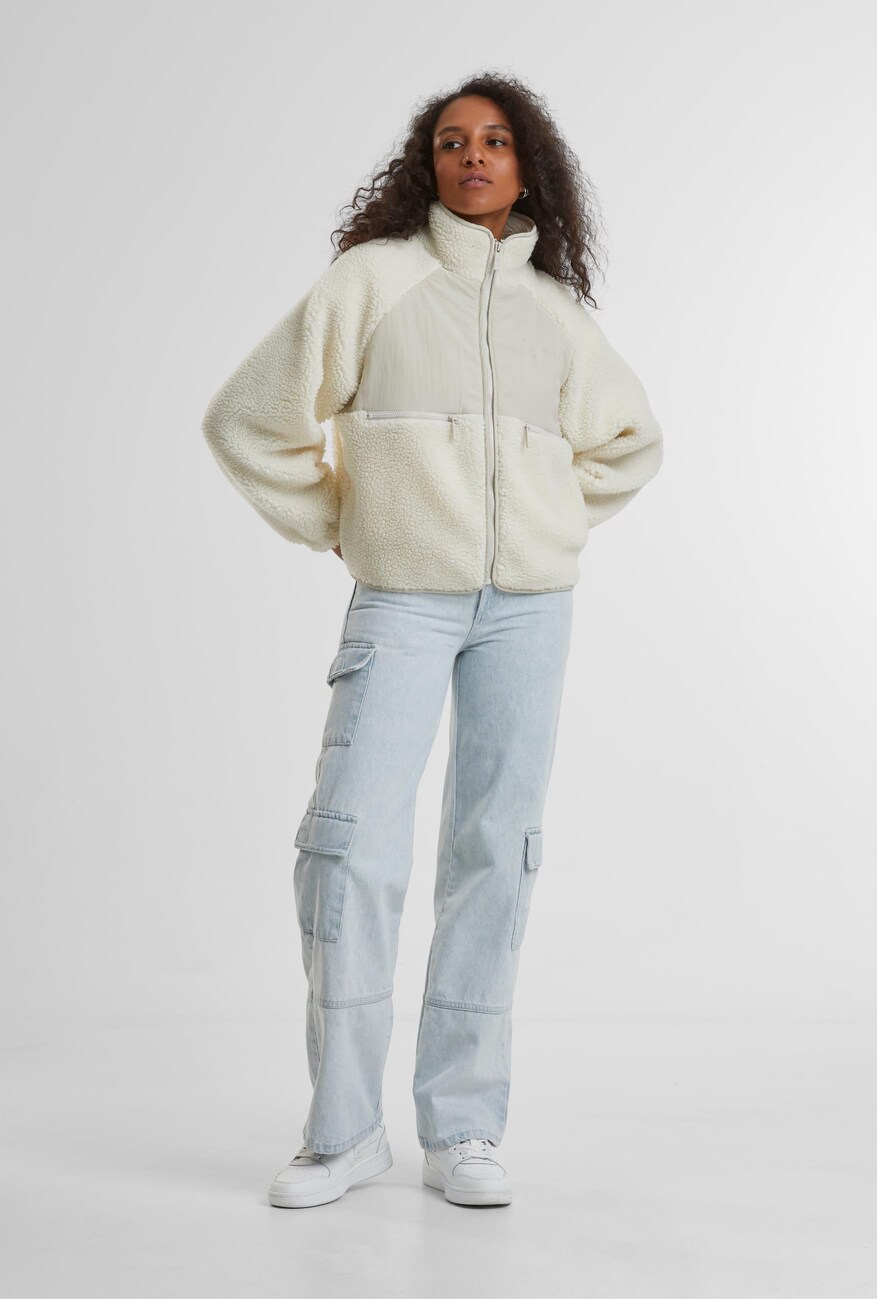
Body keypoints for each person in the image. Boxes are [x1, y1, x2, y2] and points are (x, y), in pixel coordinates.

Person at [201, 72, 664, 1210]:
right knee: (351, 847)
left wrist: (547, 522)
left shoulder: (557, 314)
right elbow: (247, 420)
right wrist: (350, 521)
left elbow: (631, 443)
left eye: (495, 141)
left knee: (495, 852)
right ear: (428, 164)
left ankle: (463, 1128)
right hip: (404, 600)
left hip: (530, 610)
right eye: (453, 141)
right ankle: (343, 1135)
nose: (473, 157)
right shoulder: (373, 282)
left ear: (526, 166)